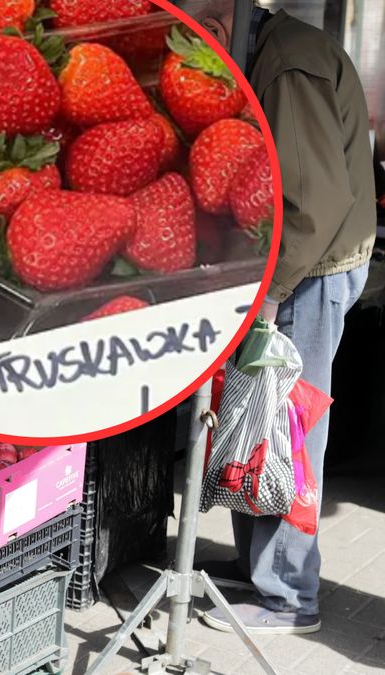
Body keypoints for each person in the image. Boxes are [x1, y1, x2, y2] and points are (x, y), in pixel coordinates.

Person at [180, 0, 375, 635]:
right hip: (294, 269)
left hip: (307, 274)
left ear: (214, 26)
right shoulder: (272, 53)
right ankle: (261, 568)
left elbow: (310, 201)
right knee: (256, 419)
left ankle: (290, 596)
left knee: (289, 432)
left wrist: (267, 295)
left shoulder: (288, 64)